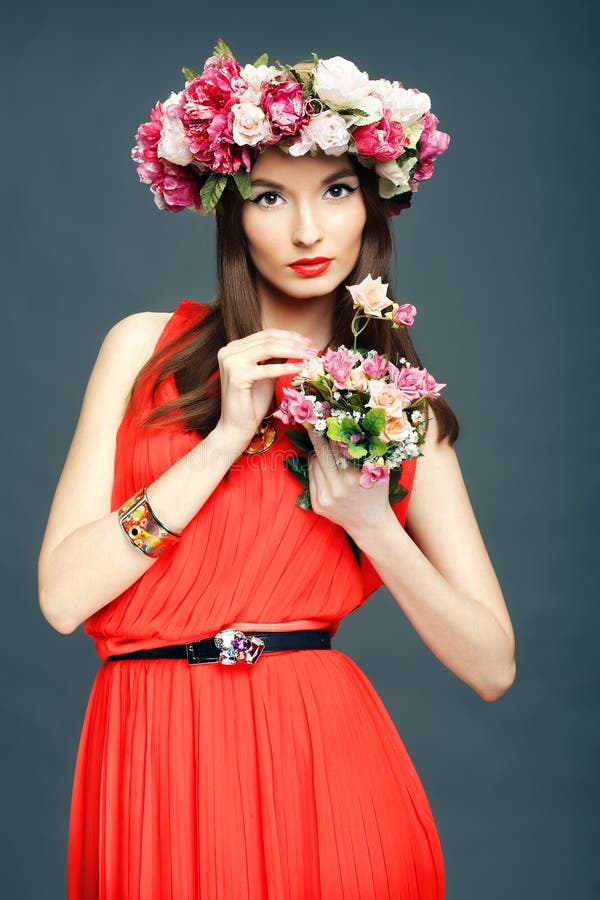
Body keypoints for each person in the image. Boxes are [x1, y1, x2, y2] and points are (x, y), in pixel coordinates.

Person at [38, 42, 516, 899]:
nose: (307, 231)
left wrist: (374, 528)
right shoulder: (141, 347)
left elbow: (493, 665)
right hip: (151, 752)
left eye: (335, 191)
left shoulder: (399, 410)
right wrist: (222, 440)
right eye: (270, 197)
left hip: (323, 765)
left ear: (371, 205)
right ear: (231, 212)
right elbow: (64, 598)